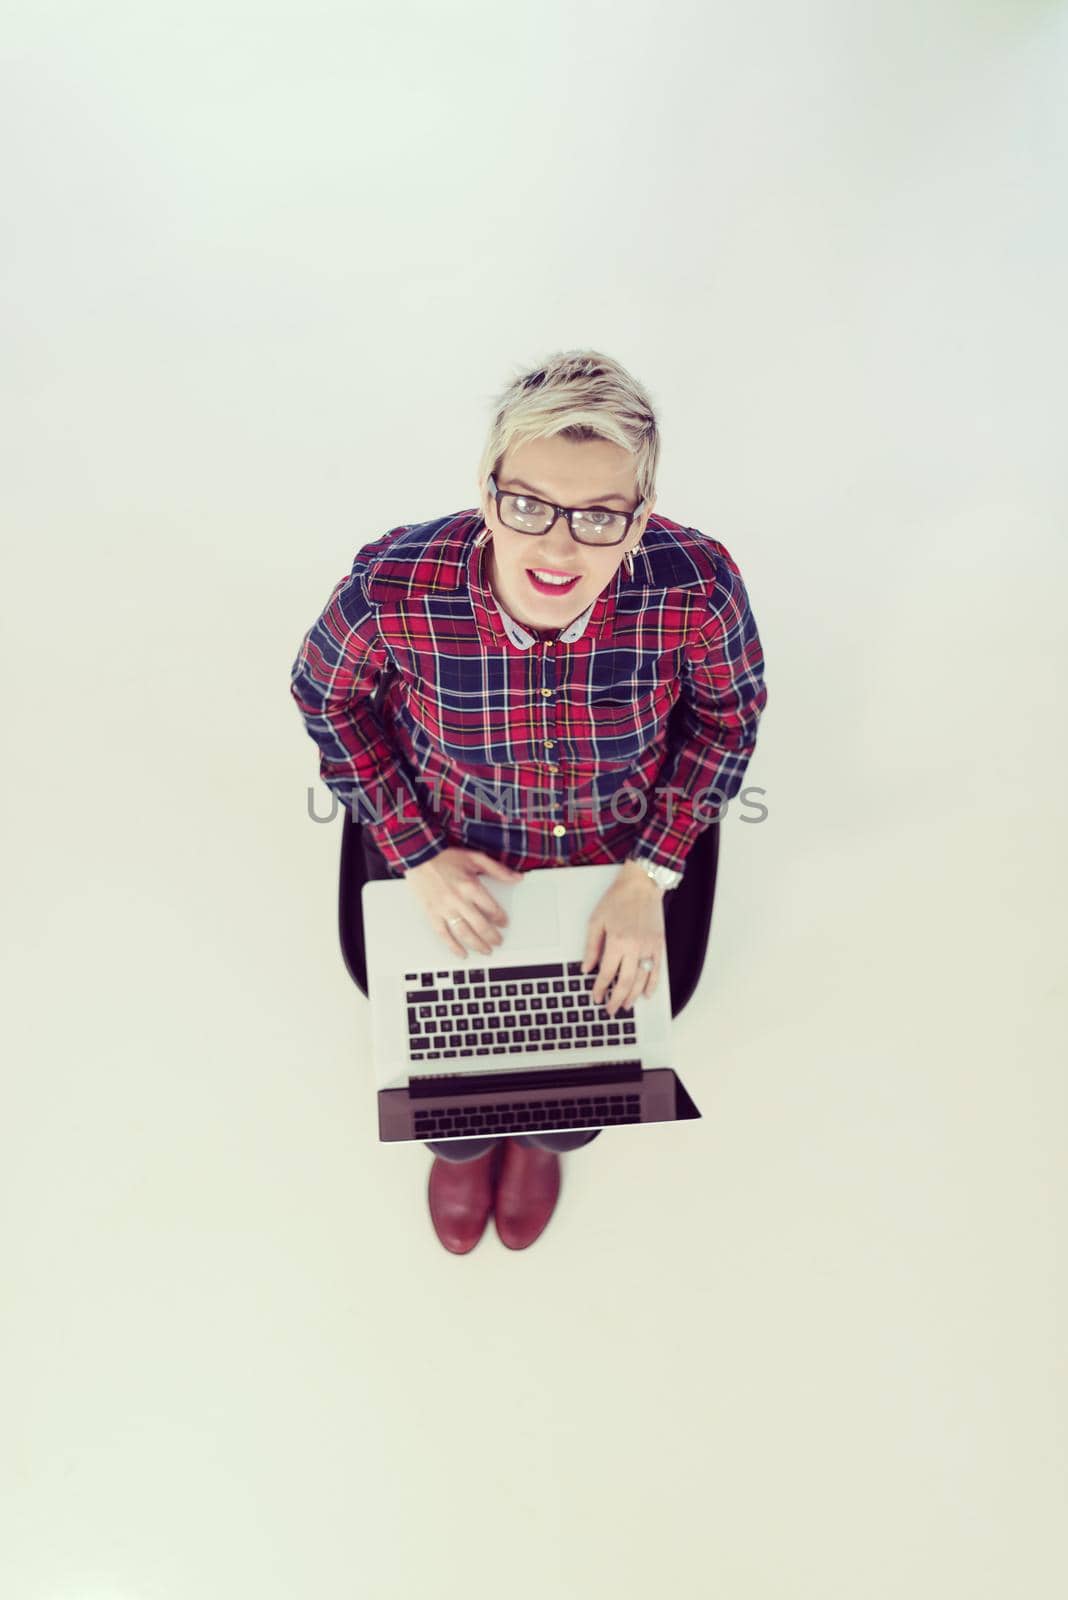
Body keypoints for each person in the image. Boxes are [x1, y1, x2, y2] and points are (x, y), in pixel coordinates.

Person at [290, 349, 768, 1256]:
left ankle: (547, 1141)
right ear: (487, 489)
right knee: (445, 1086)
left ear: (639, 521)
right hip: (447, 847)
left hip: (619, 857)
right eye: (528, 505)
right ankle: (464, 1150)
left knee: (579, 1086)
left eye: (597, 517)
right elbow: (327, 697)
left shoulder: (696, 586)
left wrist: (648, 875)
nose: (556, 545)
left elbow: (728, 719)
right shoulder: (394, 585)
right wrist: (417, 853)